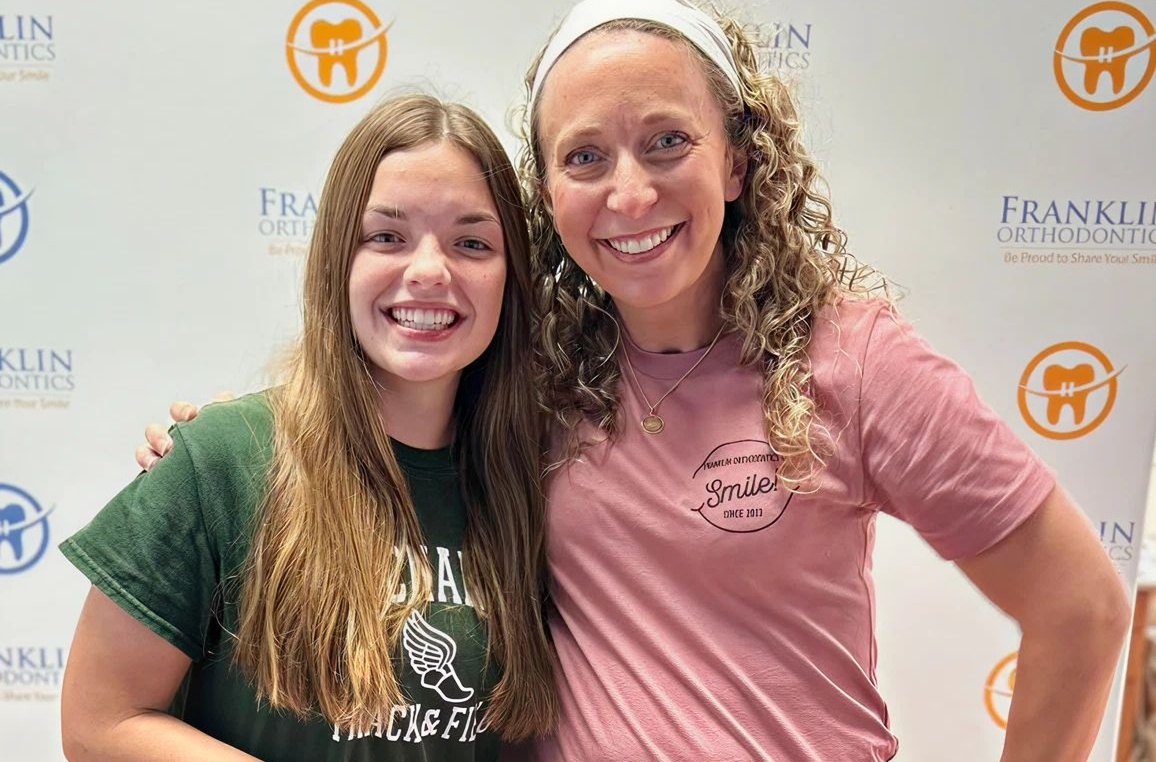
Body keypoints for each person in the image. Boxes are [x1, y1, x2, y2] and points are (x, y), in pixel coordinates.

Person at [136, 1, 1131, 760]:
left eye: (667, 141)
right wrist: (226, 446)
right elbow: (383, 398)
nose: (629, 192)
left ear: (737, 160)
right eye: (584, 157)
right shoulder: (528, 374)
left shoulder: (852, 359)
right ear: (547, 192)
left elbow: (1081, 607)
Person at [59, 94, 556, 762]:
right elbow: (99, 725)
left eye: (472, 243)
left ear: (510, 276)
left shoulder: (539, 484)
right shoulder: (221, 460)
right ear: (335, 259)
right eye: (387, 237)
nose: (429, 271)